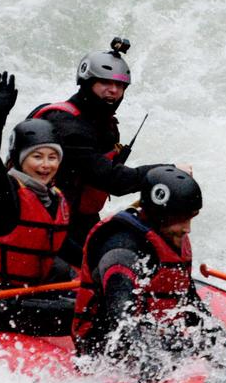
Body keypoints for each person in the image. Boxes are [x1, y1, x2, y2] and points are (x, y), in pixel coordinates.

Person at [72, 166, 226, 377]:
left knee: (220, 346)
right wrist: (153, 364)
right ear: (160, 215)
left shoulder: (170, 237)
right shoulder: (121, 248)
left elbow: (190, 304)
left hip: (155, 335)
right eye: (181, 218)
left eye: (191, 217)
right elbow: (121, 321)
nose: (188, 228)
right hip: (103, 352)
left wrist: (223, 343)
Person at [27, 38, 177, 265]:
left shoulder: (104, 125)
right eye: (105, 83)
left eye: (120, 85)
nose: (113, 90)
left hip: (79, 219)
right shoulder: (66, 126)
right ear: (87, 83)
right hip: (44, 223)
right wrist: (168, 172)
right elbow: (113, 180)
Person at [0, 71, 76, 335]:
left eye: (52, 157)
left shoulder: (55, 198)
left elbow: (65, 247)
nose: (46, 165)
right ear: (20, 159)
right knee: (86, 312)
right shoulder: (3, 193)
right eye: (37, 156)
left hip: (29, 295)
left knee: (76, 284)